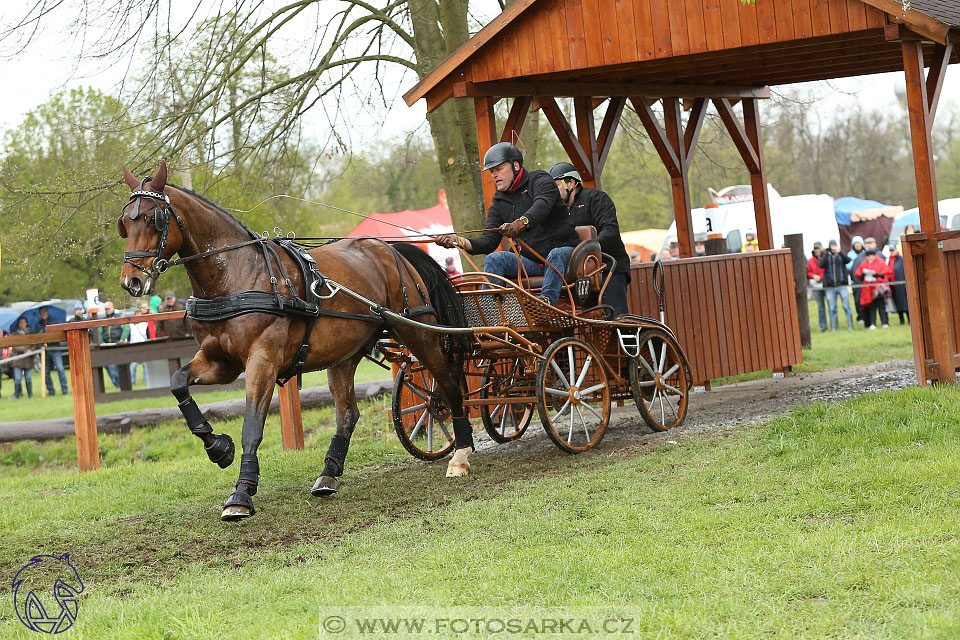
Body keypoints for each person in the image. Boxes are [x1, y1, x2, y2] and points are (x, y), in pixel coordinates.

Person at [435, 143, 580, 306]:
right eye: (491, 171)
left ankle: (545, 305)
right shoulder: (499, 201)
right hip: (531, 262)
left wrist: (520, 223)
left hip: (566, 255)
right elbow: (488, 241)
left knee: (556, 254)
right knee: (495, 259)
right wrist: (458, 241)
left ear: (516, 165)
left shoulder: (540, 180)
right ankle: (488, 313)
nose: (494, 175)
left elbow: (542, 204)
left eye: (499, 169)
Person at [548, 161, 632, 316]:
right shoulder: (556, 211)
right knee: (576, 319)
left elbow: (610, 230)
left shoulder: (596, 198)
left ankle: (622, 336)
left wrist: (586, 250)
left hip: (609, 269)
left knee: (615, 317)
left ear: (571, 183)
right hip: (580, 276)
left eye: (555, 186)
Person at [33, 305, 69, 395]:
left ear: (47, 312)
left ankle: (64, 390)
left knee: (60, 369)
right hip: (44, 351)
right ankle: (51, 391)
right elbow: (35, 338)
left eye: (45, 311)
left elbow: (60, 334)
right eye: (41, 312)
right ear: (40, 314)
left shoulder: (55, 321)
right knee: (46, 372)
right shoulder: (38, 325)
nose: (43, 314)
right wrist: (40, 347)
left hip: (55, 348)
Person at [818, 240, 854, 330]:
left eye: (834, 246)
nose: (833, 248)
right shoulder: (826, 255)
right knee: (832, 307)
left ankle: (850, 327)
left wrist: (840, 252)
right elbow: (820, 264)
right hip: (830, 287)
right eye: (831, 246)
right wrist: (827, 253)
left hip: (842, 285)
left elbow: (848, 260)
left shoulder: (840, 255)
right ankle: (834, 328)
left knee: (846, 306)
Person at [854, 248, 891, 329]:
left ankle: (885, 322)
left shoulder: (880, 262)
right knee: (872, 307)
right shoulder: (864, 263)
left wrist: (878, 275)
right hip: (868, 290)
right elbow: (858, 274)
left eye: (872, 256)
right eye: (869, 256)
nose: (870, 257)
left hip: (879, 289)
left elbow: (886, 273)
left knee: (881, 306)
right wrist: (863, 275)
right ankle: (873, 323)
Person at [99, 300, 130, 388]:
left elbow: (126, 328)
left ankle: (120, 383)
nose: (107, 310)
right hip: (107, 345)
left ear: (112, 308)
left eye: (108, 308)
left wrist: (122, 339)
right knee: (108, 365)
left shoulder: (119, 316)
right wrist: (101, 341)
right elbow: (99, 331)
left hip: (118, 344)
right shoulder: (103, 319)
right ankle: (118, 383)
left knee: (119, 365)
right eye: (105, 309)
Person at [11, 317, 35, 399]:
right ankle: (17, 396)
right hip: (18, 359)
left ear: (26, 323)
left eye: (24, 322)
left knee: (28, 378)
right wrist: (25, 350)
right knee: (17, 378)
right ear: (18, 323)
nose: (22, 324)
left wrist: (31, 350)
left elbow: (34, 344)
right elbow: (14, 346)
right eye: (21, 322)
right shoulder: (14, 333)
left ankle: (30, 395)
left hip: (28, 360)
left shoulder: (30, 333)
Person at [806, 242, 827, 333]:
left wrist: (821, 277)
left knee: (831, 306)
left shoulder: (826, 258)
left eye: (819, 248)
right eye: (816, 249)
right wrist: (814, 276)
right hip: (816, 285)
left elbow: (827, 270)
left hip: (825, 284)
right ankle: (823, 327)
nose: (817, 250)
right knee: (820, 307)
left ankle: (834, 326)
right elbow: (807, 272)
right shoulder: (810, 261)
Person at [887, 244, 909, 325]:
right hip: (894, 286)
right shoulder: (889, 260)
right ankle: (901, 320)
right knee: (898, 304)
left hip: (902, 285)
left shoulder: (901, 259)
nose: (892, 252)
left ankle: (909, 320)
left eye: (893, 250)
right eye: (890, 251)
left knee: (905, 304)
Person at [129, 303, 150, 384]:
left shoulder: (145, 324)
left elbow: (147, 336)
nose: (138, 315)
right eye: (136, 314)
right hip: (133, 346)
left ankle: (145, 379)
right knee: (134, 365)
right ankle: (132, 380)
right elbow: (129, 336)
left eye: (139, 314)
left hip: (143, 345)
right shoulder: (130, 325)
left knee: (145, 365)